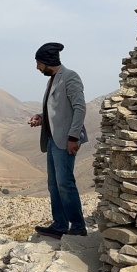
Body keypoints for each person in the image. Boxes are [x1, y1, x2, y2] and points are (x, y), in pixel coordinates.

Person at [28, 42, 88, 239]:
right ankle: (60, 225)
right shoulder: (53, 79)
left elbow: (79, 108)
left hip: (65, 140)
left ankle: (78, 226)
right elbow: (57, 109)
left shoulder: (70, 77)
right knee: (54, 184)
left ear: (47, 62)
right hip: (53, 139)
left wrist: (73, 137)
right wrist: (40, 117)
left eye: (39, 63)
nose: (37, 68)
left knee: (65, 183)